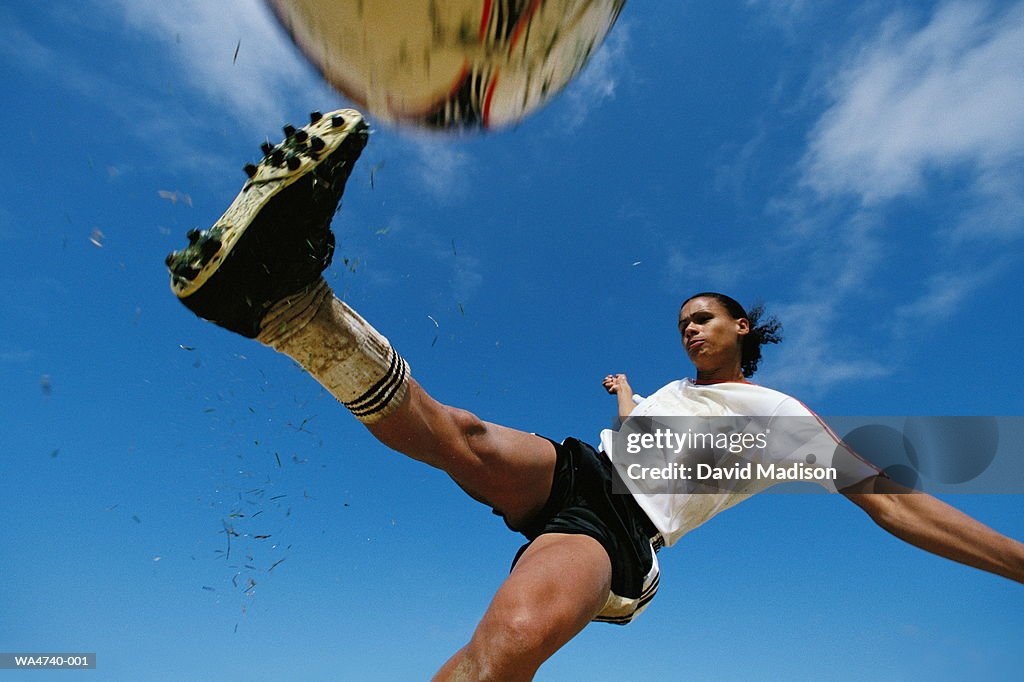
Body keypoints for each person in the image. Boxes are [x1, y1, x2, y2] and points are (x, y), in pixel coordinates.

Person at [166, 109, 1024, 681]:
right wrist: (623, 397)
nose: (689, 329)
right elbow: (640, 441)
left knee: (505, 645)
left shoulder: (781, 421)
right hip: (581, 469)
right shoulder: (663, 398)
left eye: (706, 319)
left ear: (744, 334)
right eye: (682, 320)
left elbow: (893, 506)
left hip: (619, 529)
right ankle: (291, 307)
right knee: (460, 433)